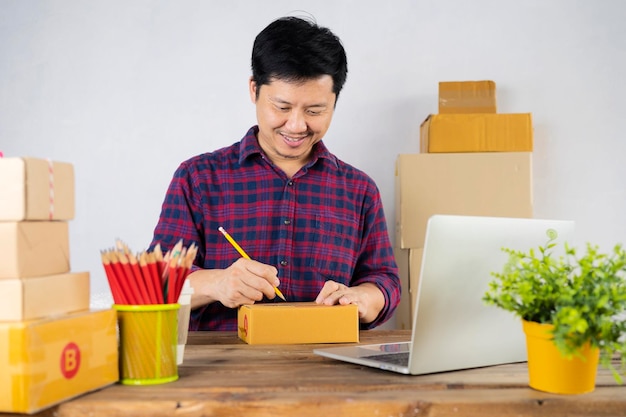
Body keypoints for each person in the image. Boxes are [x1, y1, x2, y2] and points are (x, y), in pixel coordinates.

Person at [150, 16, 401, 331]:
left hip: (326, 366)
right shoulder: (198, 178)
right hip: (221, 369)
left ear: (335, 100)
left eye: (315, 111)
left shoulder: (359, 190)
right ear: (254, 90)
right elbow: (153, 283)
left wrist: (364, 297)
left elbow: (385, 280)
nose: (296, 126)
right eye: (282, 107)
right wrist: (217, 283)